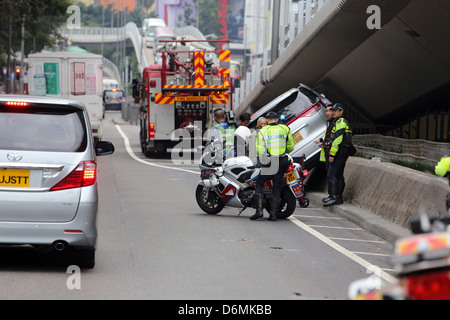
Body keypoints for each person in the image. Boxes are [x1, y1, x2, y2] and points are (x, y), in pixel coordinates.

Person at [250, 111, 294, 221]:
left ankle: (259, 211)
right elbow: (291, 147)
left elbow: (260, 149)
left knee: (259, 183)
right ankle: (273, 214)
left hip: (269, 161)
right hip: (282, 160)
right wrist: (283, 150)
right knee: (277, 186)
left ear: (267, 120)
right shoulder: (285, 129)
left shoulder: (263, 130)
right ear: (277, 119)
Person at [323, 103, 352, 207]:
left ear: (341, 111)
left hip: (339, 153)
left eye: (335, 110)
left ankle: (334, 197)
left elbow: (337, 140)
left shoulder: (340, 122)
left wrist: (332, 154)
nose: (333, 112)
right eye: (333, 110)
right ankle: (336, 197)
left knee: (332, 174)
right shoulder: (339, 122)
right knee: (338, 175)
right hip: (342, 153)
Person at [314, 103, 335, 202]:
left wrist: (323, 141)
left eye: (330, 110)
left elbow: (334, 138)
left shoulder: (335, 123)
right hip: (327, 151)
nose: (327, 113)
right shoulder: (329, 123)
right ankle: (331, 195)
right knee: (330, 174)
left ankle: (334, 196)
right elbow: (328, 138)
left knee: (333, 175)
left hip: (332, 153)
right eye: (326, 111)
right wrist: (324, 143)